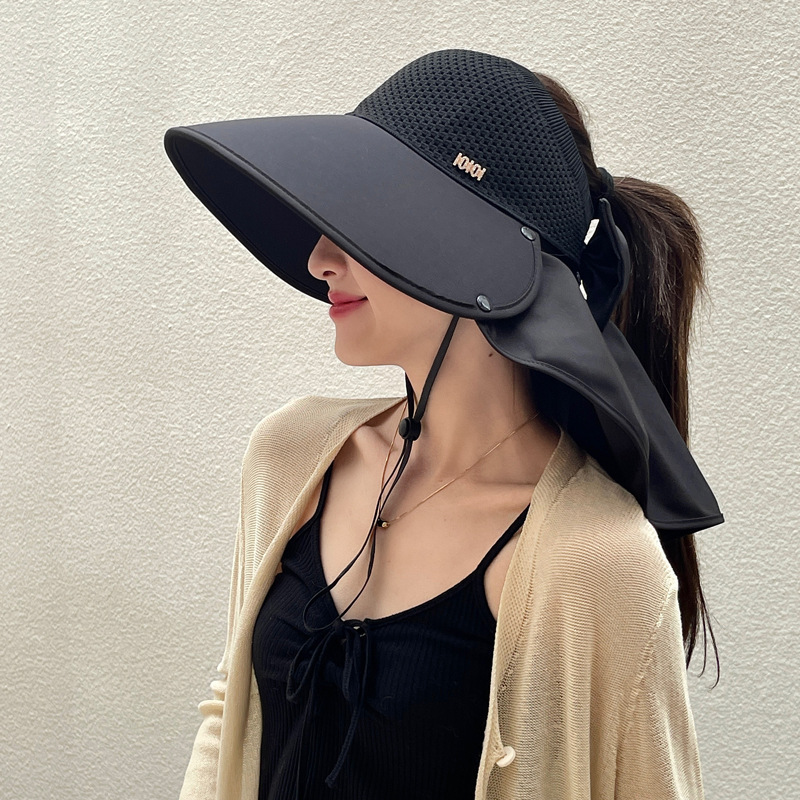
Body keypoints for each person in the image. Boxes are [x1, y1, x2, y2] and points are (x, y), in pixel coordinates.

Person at [164, 48, 724, 800]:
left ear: (478, 251)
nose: (321, 258)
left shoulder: (596, 559)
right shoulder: (288, 455)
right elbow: (232, 710)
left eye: (365, 220)